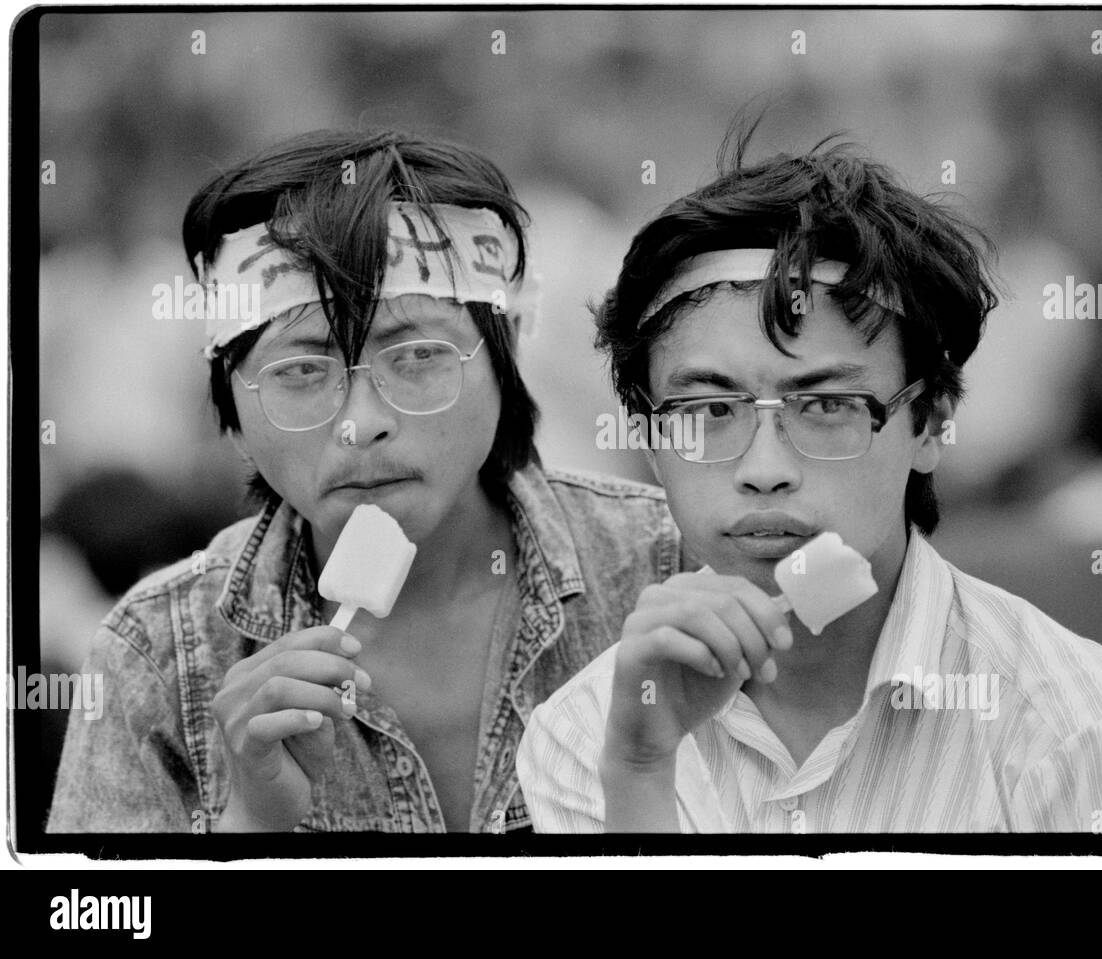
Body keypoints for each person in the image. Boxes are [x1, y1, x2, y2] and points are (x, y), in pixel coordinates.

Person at [516, 123, 1102, 832]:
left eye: (826, 405)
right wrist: (640, 775)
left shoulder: (1089, 741)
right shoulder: (590, 735)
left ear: (928, 421)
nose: (765, 469)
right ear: (646, 433)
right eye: (709, 409)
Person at [47, 129, 682, 833]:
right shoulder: (154, 656)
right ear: (230, 403)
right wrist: (250, 825)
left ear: (502, 363)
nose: (362, 422)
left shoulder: (665, 566)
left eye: (416, 355)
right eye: (301, 370)